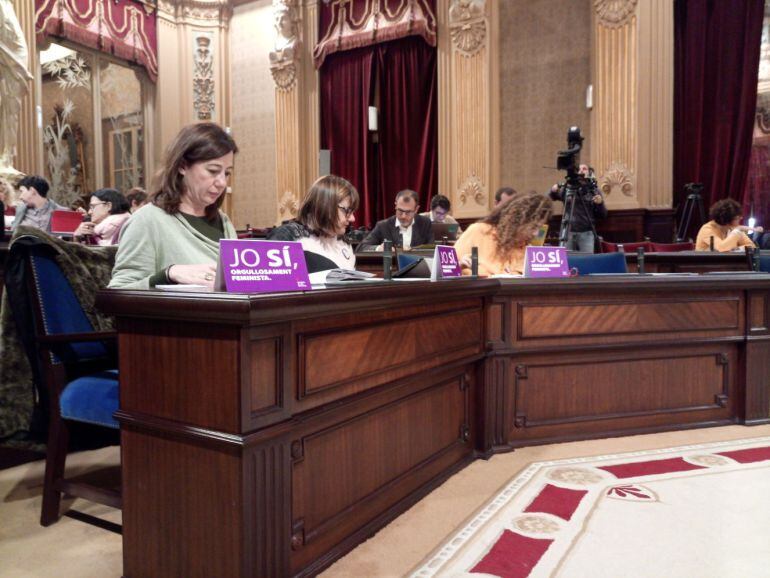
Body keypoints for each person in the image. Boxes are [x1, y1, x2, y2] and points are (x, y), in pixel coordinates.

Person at [109, 122, 238, 289]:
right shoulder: (147, 221)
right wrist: (168, 275)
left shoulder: (224, 222)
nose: (222, 183)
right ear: (183, 166)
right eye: (213, 171)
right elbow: (119, 293)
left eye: (227, 173)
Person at [266, 175, 359, 271]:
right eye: (347, 210)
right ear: (325, 206)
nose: (353, 218)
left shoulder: (343, 243)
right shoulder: (287, 237)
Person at [454, 190, 552, 276]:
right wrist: (460, 265)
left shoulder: (526, 248)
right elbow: (447, 268)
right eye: (533, 227)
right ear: (516, 221)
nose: (535, 233)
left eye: (539, 227)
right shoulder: (479, 231)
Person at [549, 164, 607, 253]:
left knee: (587, 261)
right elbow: (551, 197)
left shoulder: (593, 190)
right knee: (567, 261)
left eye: (584, 169)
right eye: (579, 169)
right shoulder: (567, 188)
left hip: (586, 233)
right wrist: (553, 190)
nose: (581, 171)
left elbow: (603, 215)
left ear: (589, 173)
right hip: (568, 232)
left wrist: (600, 203)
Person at [359, 189, 433, 250]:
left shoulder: (425, 223)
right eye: (400, 210)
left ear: (416, 209)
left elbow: (432, 249)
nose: (403, 216)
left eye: (408, 212)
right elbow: (361, 247)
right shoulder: (383, 226)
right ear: (395, 205)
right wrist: (379, 248)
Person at [695, 198, 761, 252]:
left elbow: (751, 246)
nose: (741, 218)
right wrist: (737, 231)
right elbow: (721, 248)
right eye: (737, 218)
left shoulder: (732, 228)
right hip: (707, 265)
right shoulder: (707, 229)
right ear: (726, 220)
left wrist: (735, 249)